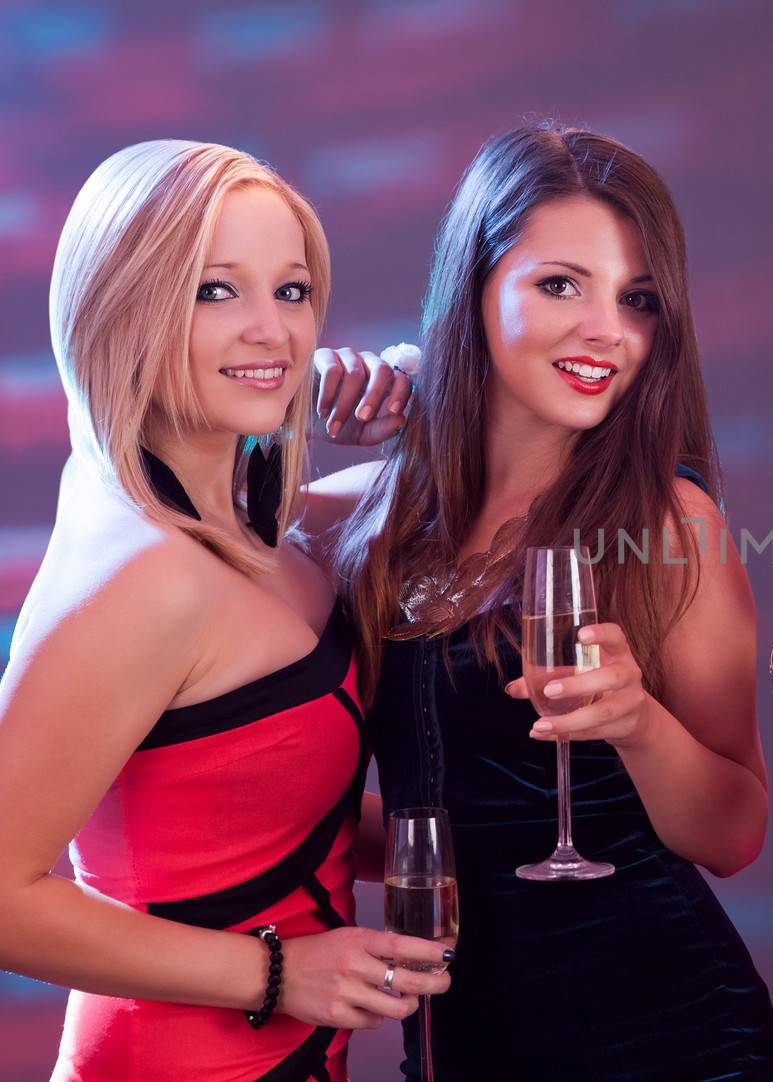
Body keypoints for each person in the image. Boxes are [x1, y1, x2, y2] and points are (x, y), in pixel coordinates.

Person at [320, 122, 773, 1080]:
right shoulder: (385, 519)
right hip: (461, 1040)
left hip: (666, 1041)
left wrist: (638, 724)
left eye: (638, 298)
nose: (606, 332)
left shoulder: (666, 519)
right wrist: (318, 406)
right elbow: (185, 504)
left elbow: (737, 831)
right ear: (475, 289)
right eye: (560, 285)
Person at [0, 140, 449, 1082]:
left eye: (291, 291)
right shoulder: (143, 575)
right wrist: (273, 971)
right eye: (216, 291)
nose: (272, 332)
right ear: (122, 306)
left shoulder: (236, 521)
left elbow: (248, 808)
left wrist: (402, 418)